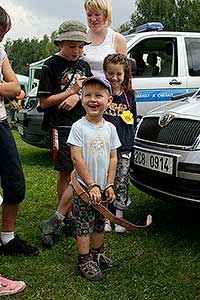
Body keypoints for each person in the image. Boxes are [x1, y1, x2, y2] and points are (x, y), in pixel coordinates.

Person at [38, 20, 92, 248]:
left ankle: (66, 216)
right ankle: (64, 216)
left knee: (78, 171)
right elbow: (43, 102)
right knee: (66, 172)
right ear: (61, 43)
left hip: (82, 124)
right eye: (72, 46)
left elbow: (89, 91)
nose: (77, 52)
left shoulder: (84, 66)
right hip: (60, 127)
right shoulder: (50, 66)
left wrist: (78, 96)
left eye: (81, 47)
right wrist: (69, 92)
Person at [67, 76, 121, 281]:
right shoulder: (79, 127)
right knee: (83, 224)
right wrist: (91, 185)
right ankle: (84, 260)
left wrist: (109, 184)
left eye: (99, 95)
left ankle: (97, 256)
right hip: (84, 189)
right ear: (81, 99)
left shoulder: (110, 129)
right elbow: (76, 157)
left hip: (102, 190)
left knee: (100, 222)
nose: (93, 99)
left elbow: (113, 158)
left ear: (109, 101)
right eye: (87, 94)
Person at [0, 6, 38, 256]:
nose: (2, 38)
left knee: (15, 183)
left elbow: (16, 88)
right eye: (0, 33)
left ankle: (8, 238)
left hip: (1, 123)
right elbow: (9, 86)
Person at [103, 53, 137, 233]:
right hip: (105, 147)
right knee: (105, 181)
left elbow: (134, 120)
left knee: (121, 181)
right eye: (110, 73)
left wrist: (131, 144)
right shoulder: (102, 94)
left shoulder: (129, 97)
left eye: (118, 74)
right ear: (105, 72)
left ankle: (119, 217)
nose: (114, 78)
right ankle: (106, 218)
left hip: (124, 146)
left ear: (124, 76)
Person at [84, 0, 127, 77]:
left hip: (109, 88)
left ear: (106, 15)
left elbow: (125, 74)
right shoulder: (80, 37)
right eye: (89, 15)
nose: (93, 19)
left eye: (97, 14)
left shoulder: (118, 39)